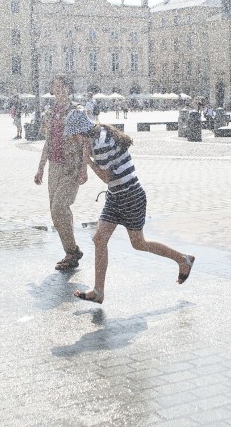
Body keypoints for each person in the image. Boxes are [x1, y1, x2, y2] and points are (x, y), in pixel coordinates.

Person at [62, 109, 195, 304]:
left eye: (73, 134)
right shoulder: (98, 134)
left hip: (130, 196)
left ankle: (183, 259)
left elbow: (106, 177)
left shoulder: (100, 144)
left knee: (138, 243)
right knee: (100, 239)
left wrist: (88, 162)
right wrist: (86, 160)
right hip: (117, 195)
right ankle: (98, 291)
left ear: (79, 131)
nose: (72, 138)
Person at [34, 74, 86, 271]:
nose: (58, 90)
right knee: (57, 213)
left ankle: (72, 251)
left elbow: (86, 141)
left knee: (59, 207)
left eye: (61, 87)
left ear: (68, 89)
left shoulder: (77, 111)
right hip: (54, 167)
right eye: (55, 87)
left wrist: (84, 168)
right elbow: (48, 142)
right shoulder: (50, 113)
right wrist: (40, 168)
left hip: (71, 166)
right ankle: (71, 252)